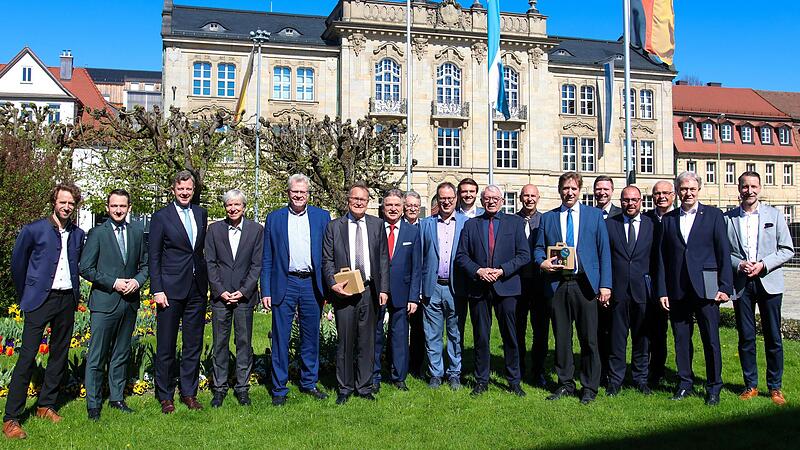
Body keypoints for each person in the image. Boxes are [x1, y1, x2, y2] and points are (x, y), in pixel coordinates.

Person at [3, 183, 85, 439]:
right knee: (27, 357)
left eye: (71, 203)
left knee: (59, 354)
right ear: (54, 202)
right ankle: (11, 418)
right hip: (40, 300)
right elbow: (18, 264)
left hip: (66, 300)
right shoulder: (34, 230)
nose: (67, 206)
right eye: (63, 202)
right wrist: (27, 293)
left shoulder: (78, 233)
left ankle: (45, 405)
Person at [656, 171, 732, 406]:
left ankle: (713, 386)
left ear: (698, 190)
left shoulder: (713, 215)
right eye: (683, 189)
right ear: (677, 192)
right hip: (677, 288)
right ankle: (685, 383)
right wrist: (662, 290)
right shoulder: (668, 219)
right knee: (681, 339)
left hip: (706, 287)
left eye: (692, 189)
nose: (687, 193)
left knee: (711, 339)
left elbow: (723, 253)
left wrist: (725, 285)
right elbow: (661, 257)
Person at [535, 172, 611, 405]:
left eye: (573, 189)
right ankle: (565, 383)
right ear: (560, 191)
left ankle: (589, 387)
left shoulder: (594, 216)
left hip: (585, 285)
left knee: (589, 339)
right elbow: (538, 248)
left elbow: (603, 251)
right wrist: (542, 261)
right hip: (558, 285)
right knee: (562, 339)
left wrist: (605, 285)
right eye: (565, 188)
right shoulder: (548, 218)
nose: (569, 193)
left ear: (580, 191)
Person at [725, 171, 794, 406]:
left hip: (769, 282)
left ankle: (775, 387)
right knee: (746, 337)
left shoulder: (774, 215)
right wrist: (739, 264)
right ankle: (750, 385)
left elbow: (787, 249)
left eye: (753, 186)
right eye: (745, 186)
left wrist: (764, 265)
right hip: (742, 283)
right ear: (739, 188)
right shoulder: (729, 218)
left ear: (760, 188)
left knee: (773, 337)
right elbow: (725, 252)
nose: (749, 191)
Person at [261, 174, 331, 406]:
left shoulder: (322, 217)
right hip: (285, 283)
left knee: (311, 336)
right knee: (281, 337)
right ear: (288, 193)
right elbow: (267, 257)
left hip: (312, 284)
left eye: (303, 192)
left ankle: (309, 382)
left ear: (309, 194)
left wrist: (329, 287)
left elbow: (328, 255)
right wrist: (266, 290)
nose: (299, 195)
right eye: (294, 192)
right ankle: (279, 388)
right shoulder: (275, 218)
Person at [455, 185, 531, 397]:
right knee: (481, 336)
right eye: (487, 198)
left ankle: (514, 380)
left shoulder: (515, 223)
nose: (491, 201)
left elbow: (524, 255)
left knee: (510, 336)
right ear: (481, 201)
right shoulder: (471, 225)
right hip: (479, 288)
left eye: (495, 198)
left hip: (506, 287)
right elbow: (461, 256)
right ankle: (481, 380)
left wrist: (501, 271)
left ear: (502, 200)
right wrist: (479, 270)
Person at [81, 189, 149, 421]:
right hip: (104, 304)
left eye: (123, 206)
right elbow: (86, 268)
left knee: (121, 353)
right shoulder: (97, 233)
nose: (118, 210)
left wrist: (137, 282)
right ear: (108, 208)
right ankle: (93, 404)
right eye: (114, 206)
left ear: (129, 207)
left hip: (129, 303)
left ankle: (117, 398)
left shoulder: (138, 233)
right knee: (97, 356)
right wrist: (114, 283)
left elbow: (145, 266)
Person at [322, 182, 389, 405]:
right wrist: (332, 284)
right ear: (348, 200)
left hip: (370, 291)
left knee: (367, 342)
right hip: (345, 292)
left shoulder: (377, 225)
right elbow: (327, 260)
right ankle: (344, 387)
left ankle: (364, 386)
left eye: (363, 199)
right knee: (345, 342)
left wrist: (384, 289)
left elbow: (383, 260)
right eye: (355, 199)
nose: (359, 202)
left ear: (368, 202)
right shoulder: (334, 227)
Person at [149, 170, 208, 414]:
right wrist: (157, 289)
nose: (185, 193)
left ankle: (189, 393)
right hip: (170, 289)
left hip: (196, 288)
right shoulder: (161, 217)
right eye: (181, 189)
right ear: (173, 189)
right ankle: (165, 396)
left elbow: (199, 251)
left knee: (193, 344)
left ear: (193, 191)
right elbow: (154, 256)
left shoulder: (200, 213)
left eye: (189, 189)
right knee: (166, 344)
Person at [205, 189, 264, 408]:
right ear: (225, 207)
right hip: (221, 298)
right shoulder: (214, 230)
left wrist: (244, 290)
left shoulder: (256, 230)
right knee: (220, 343)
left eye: (237, 205)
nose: (233, 208)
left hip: (244, 297)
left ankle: (242, 388)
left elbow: (257, 264)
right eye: (229, 205)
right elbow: (210, 263)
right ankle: (219, 389)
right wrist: (220, 290)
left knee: (243, 343)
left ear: (244, 207)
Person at [605, 186, 655, 396]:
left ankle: (640, 378)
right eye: (626, 200)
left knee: (642, 338)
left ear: (641, 201)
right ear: (621, 201)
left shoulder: (652, 225)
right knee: (617, 338)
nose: (630, 204)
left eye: (634, 200)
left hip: (642, 291)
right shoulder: (610, 225)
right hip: (618, 290)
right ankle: (615, 380)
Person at [419, 182, 468, 390]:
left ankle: (454, 373)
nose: (446, 202)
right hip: (432, 286)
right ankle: (436, 373)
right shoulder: (426, 224)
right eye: (442, 198)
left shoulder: (466, 223)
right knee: (432, 334)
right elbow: (420, 258)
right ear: (437, 200)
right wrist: (420, 289)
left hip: (456, 288)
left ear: (455, 199)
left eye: (450, 198)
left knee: (455, 333)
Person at [372, 190, 421, 392]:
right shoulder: (374, 229)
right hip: (377, 290)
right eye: (388, 205)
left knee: (399, 335)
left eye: (397, 205)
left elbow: (417, 267)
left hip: (403, 292)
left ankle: (398, 376)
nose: (393, 209)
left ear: (403, 208)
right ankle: (373, 376)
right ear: (382, 208)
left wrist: (413, 297)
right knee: (374, 335)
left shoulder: (413, 232)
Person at [515, 184, 550, 388]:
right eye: (526, 196)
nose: (529, 199)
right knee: (517, 328)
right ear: (520, 198)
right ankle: (517, 368)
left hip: (539, 283)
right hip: (517, 283)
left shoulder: (545, 220)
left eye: (532, 196)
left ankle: (538, 371)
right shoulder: (512, 221)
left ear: (538, 198)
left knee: (540, 330)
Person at [643, 180, 675, 386]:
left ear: (673, 195)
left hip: (675, 282)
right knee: (649, 328)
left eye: (665, 193)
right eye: (657, 193)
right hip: (649, 281)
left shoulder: (679, 218)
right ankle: (648, 372)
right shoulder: (646, 219)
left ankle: (661, 370)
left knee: (667, 331)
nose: (661, 197)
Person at [593, 175, 620, 386]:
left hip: (615, 284)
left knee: (614, 331)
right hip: (593, 284)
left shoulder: (620, 215)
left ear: (612, 191)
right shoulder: (589, 215)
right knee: (597, 330)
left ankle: (614, 372)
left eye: (605, 189)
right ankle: (599, 371)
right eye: (598, 189)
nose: (602, 192)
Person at [403, 190, 425, 377]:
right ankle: (398, 363)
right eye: (409, 205)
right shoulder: (397, 226)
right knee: (398, 328)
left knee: (419, 328)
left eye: (415, 206)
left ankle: (417, 366)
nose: (412, 209)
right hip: (400, 284)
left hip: (421, 285)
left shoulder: (425, 226)